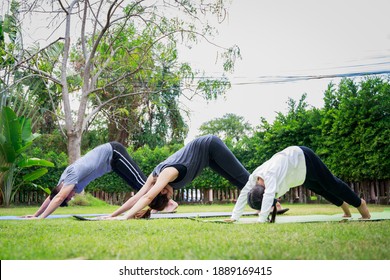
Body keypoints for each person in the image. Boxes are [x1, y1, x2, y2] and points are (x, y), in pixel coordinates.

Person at [104, 135, 253, 220]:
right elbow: (136, 198)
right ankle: (266, 204)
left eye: (169, 196)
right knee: (235, 180)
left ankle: (271, 203)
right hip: (206, 158)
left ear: (162, 191)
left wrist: (124, 218)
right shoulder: (153, 178)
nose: (172, 195)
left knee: (241, 177)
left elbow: (148, 198)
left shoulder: (167, 174)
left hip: (210, 145)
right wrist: (112, 215)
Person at [228, 146, 371, 223]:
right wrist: (235, 216)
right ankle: (345, 210)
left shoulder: (269, 176)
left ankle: (360, 204)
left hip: (304, 158)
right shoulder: (255, 177)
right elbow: (243, 194)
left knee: (331, 184)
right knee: (321, 189)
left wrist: (261, 220)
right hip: (299, 174)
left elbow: (269, 195)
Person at [22, 142, 155, 219]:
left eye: (68, 198)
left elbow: (58, 197)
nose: (71, 197)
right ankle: (161, 203)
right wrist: (35, 214)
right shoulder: (62, 182)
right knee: (138, 186)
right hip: (112, 163)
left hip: (114, 152)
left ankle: (168, 202)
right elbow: (52, 197)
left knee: (141, 182)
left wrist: (41, 218)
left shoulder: (70, 176)